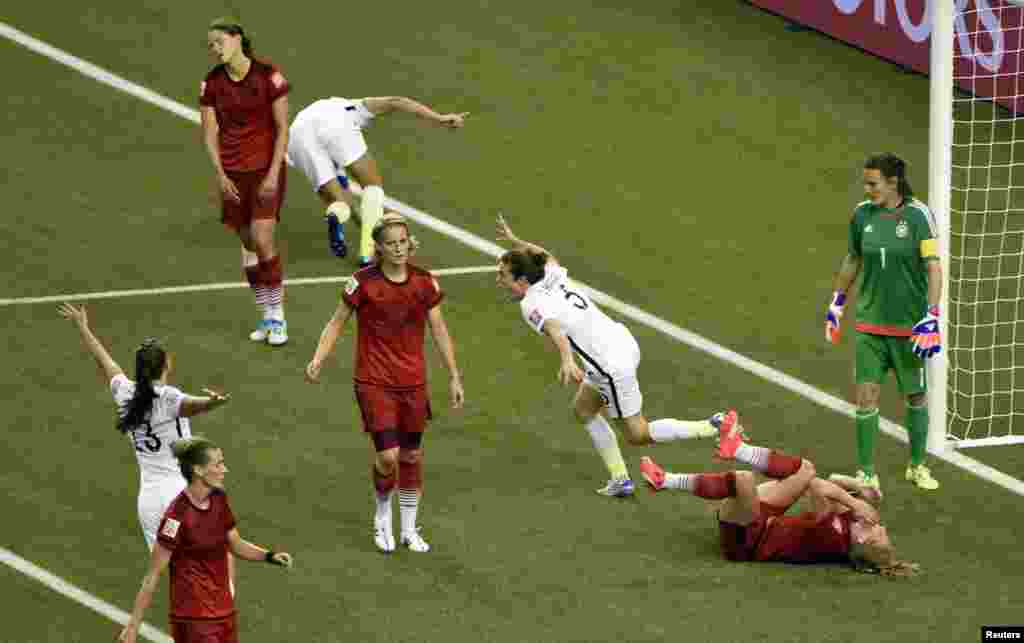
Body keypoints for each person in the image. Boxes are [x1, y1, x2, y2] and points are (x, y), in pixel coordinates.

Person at [495, 215, 724, 498]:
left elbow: (555, 330)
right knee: (583, 409)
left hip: (609, 366)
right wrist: (516, 242)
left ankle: (712, 426)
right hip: (621, 341)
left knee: (637, 434)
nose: (499, 280)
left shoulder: (530, 303)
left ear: (522, 280)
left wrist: (566, 360)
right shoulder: (551, 273)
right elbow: (543, 254)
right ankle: (620, 478)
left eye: (503, 275)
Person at [305, 214, 464, 553]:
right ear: (378, 247)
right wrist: (318, 358)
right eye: (391, 243)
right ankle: (381, 516)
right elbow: (336, 322)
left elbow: (439, 329)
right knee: (388, 457)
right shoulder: (362, 282)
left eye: (403, 242)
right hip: (374, 381)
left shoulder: (425, 282)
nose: (398, 248)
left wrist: (453, 375)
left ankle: (408, 528)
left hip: (413, 382)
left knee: (412, 454)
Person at [640, 417, 919, 576]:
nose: (882, 528)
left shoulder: (835, 537)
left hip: (748, 543)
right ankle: (737, 448)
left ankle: (666, 480)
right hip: (766, 521)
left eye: (881, 535)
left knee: (743, 481)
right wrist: (858, 486)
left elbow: (819, 487)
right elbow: (832, 482)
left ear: (864, 541)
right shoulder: (851, 523)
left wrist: (856, 500)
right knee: (805, 469)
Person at [58, 303, 231, 551]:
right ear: (166, 365)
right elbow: (193, 406)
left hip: (149, 501)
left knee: (169, 568)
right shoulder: (167, 397)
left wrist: (83, 327)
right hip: (180, 496)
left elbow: (104, 361)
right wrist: (213, 403)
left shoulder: (125, 392)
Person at [824, 153, 943, 491]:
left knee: (916, 397)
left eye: (873, 183)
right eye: (865, 183)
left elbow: (933, 266)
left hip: (909, 328)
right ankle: (865, 472)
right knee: (866, 396)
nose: (867, 189)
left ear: (893, 182)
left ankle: (917, 465)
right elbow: (853, 258)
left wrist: (932, 315)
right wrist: (837, 302)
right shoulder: (862, 214)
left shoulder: (919, 216)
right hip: (870, 325)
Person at [118, 436, 293, 643]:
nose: (224, 469)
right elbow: (153, 574)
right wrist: (133, 626)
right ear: (198, 470)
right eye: (217, 464)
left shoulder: (219, 499)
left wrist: (269, 556)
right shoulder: (176, 517)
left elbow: (235, 544)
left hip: (224, 614)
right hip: (194, 619)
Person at [287, 95, 468, 264]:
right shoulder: (355, 109)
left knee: (338, 198)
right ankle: (368, 252)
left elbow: (328, 187)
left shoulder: (319, 112)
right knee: (372, 189)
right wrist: (439, 118)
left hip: (297, 136)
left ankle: (342, 218)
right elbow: (396, 101)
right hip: (335, 124)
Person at [201, 18, 291, 346]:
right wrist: (220, 174)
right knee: (249, 244)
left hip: (265, 171)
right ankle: (266, 315)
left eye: (219, 42)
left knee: (263, 240)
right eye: (211, 45)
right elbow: (209, 132)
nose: (215, 49)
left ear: (237, 38)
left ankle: (278, 317)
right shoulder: (212, 83)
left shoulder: (268, 76)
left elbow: (283, 128)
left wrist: (273, 173)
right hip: (232, 175)